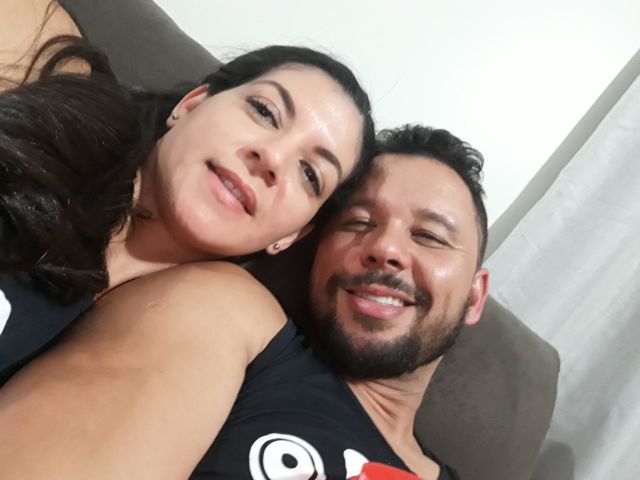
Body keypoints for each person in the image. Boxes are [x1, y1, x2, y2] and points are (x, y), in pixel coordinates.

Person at [0, 125, 489, 479]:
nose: (385, 248)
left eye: (430, 235)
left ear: (474, 296)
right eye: (358, 222)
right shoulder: (229, 316)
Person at [0, 35, 375, 384]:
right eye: (265, 112)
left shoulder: (180, 354)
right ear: (191, 105)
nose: (273, 157)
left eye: (310, 174)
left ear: (291, 236)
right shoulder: (38, 158)